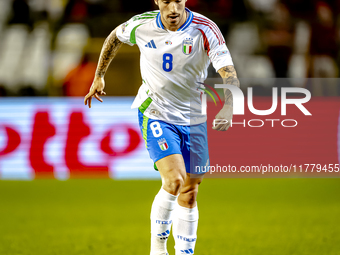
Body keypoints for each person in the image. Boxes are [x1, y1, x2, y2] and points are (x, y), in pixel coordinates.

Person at [84, 0, 240, 254]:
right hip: (156, 112)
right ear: (157, 1)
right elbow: (114, 37)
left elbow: (228, 72)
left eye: (178, 1)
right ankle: (157, 249)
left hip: (194, 118)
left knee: (190, 191)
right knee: (175, 179)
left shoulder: (205, 28)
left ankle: (184, 252)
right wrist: (99, 75)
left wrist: (229, 106)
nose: (173, 9)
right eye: (166, 1)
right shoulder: (141, 24)